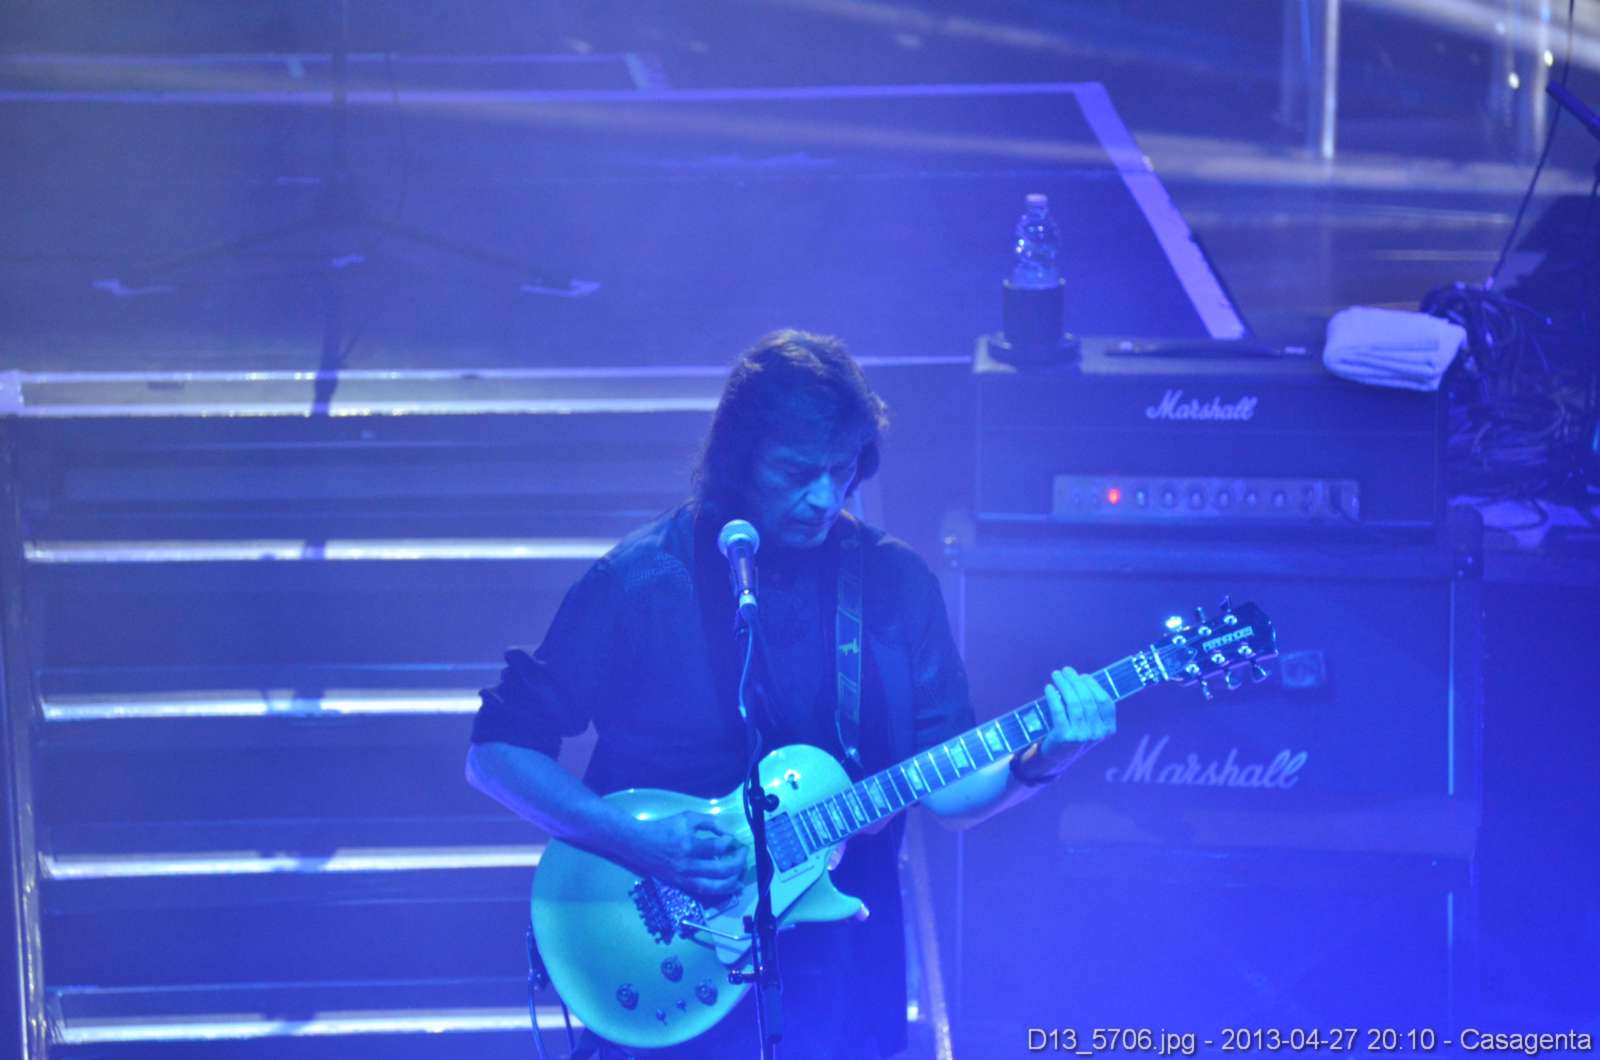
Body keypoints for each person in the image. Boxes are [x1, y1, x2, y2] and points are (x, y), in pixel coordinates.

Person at [467, 329, 1115, 1059]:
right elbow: (496, 754)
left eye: (843, 470)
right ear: (740, 460)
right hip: (668, 966)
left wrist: (1042, 761)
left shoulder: (895, 584)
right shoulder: (643, 580)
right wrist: (643, 844)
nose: (825, 497)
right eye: (797, 472)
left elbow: (950, 790)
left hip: (841, 977)